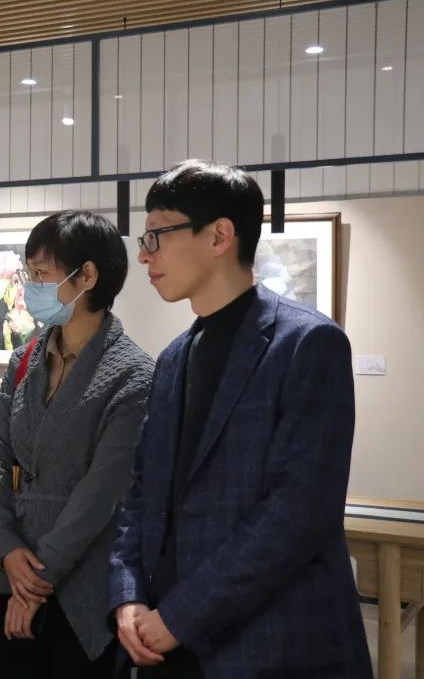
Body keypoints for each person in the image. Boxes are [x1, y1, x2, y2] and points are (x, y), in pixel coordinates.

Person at [108, 160, 371, 677]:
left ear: (219, 235)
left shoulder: (307, 344)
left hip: (269, 645)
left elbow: (297, 514)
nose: (143, 254)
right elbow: (140, 496)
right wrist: (128, 595)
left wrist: (181, 616)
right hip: (162, 641)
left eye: (157, 236)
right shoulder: (173, 359)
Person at [0, 211, 153, 678]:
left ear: (87, 276)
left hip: (84, 583)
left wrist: (37, 581)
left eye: (41, 273)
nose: (31, 286)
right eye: (29, 273)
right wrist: (7, 546)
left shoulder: (133, 375)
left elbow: (101, 493)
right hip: (14, 570)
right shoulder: (24, 359)